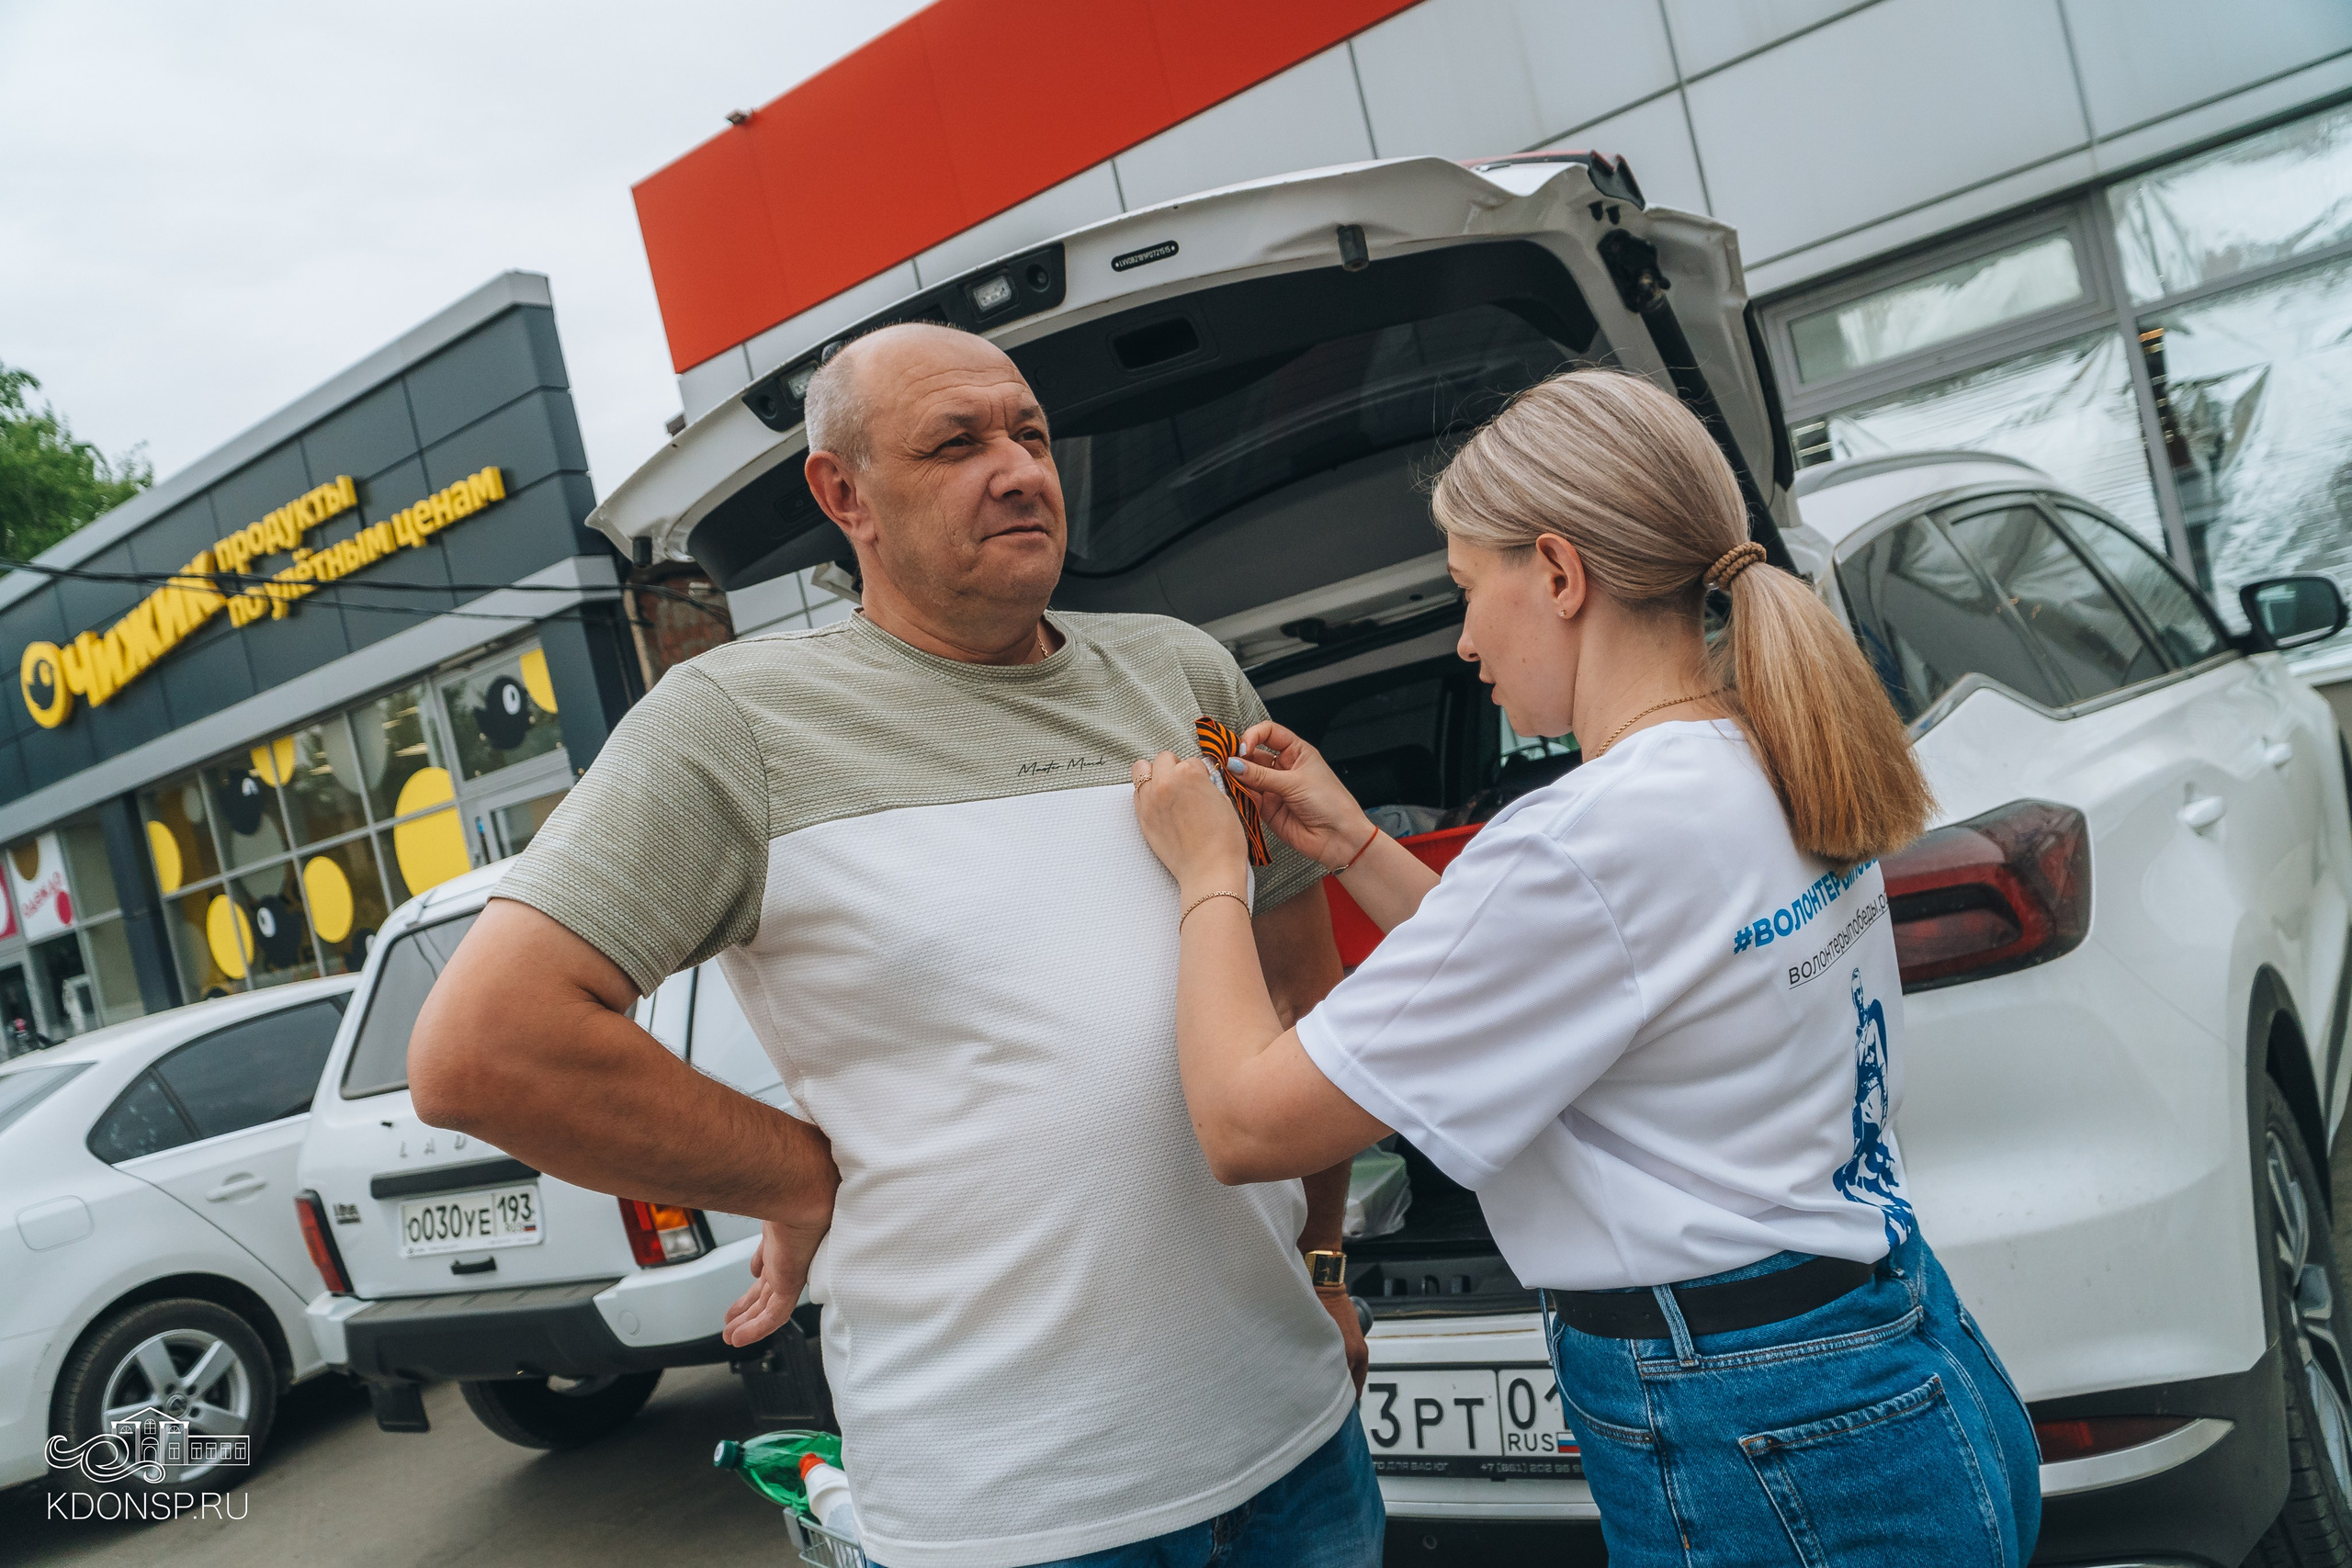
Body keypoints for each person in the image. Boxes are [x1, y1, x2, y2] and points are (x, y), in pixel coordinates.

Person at [407, 322, 1383, 1568]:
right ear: (844, 495)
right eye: (956, 443)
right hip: (1021, 1517)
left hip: (1299, 1451)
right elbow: (487, 1050)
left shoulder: (1184, 674)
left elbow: (1303, 1001)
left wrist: (1327, 1257)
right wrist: (802, 1177)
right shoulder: (733, 725)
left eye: (1029, 433)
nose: (1020, 468)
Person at [1129, 369, 2041, 1563]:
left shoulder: (1584, 841)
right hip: (1891, 1364)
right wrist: (1353, 845)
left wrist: (1210, 870)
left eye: (1467, 589)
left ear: (1558, 573)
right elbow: (1577, 969)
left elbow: (1247, 1125)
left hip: (1759, 1432)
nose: (1463, 642)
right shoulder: (1760, 753)